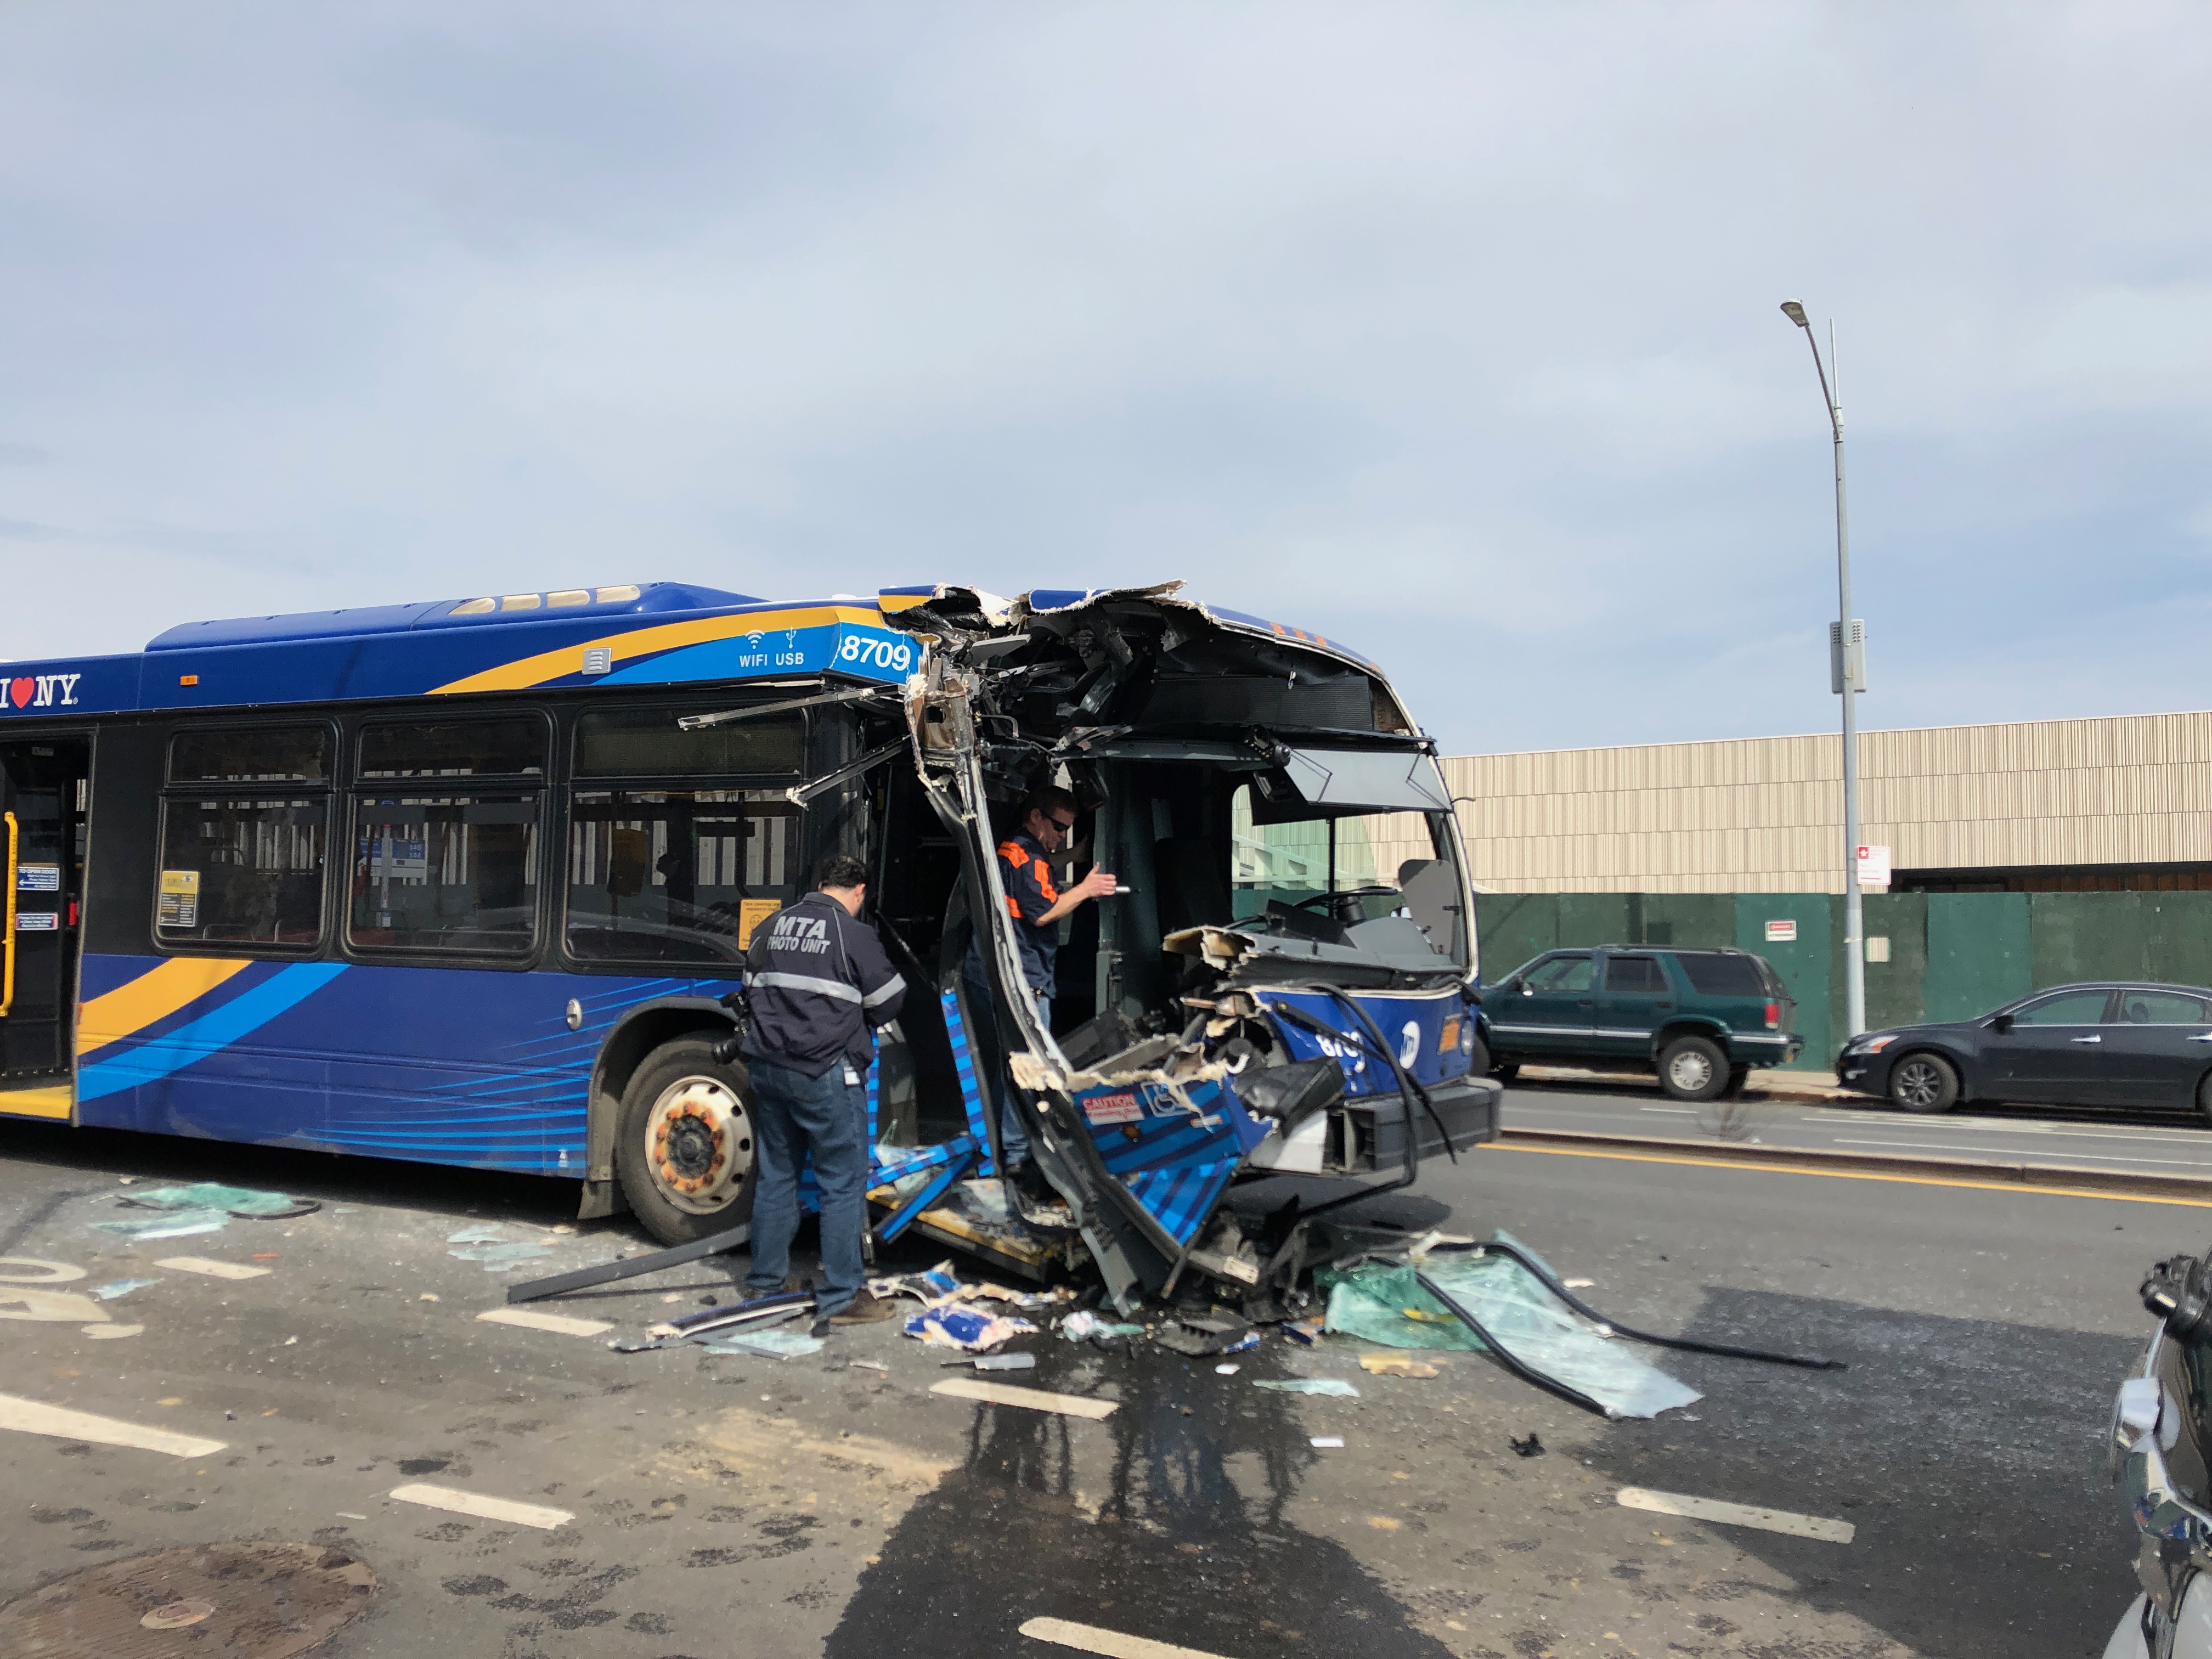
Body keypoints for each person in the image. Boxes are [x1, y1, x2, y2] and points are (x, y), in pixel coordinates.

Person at [740, 851, 906, 1336]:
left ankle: (765, 1285)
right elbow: (891, 999)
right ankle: (842, 1296)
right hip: (827, 1074)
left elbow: (750, 990)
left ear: (819, 883)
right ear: (859, 892)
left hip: (769, 1069)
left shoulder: (770, 928)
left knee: (776, 1177)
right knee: (841, 1183)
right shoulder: (853, 934)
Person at [963, 785, 1116, 1166]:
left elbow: (1033, 875)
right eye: (1058, 828)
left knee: (1005, 1065)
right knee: (1029, 1068)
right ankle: (1017, 1155)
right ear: (1036, 817)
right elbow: (1043, 912)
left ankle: (997, 1147)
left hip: (991, 970)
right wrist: (1085, 889)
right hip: (1024, 978)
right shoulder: (1030, 859)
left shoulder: (1013, 848)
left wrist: (1071, 859)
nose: (1061, 835)